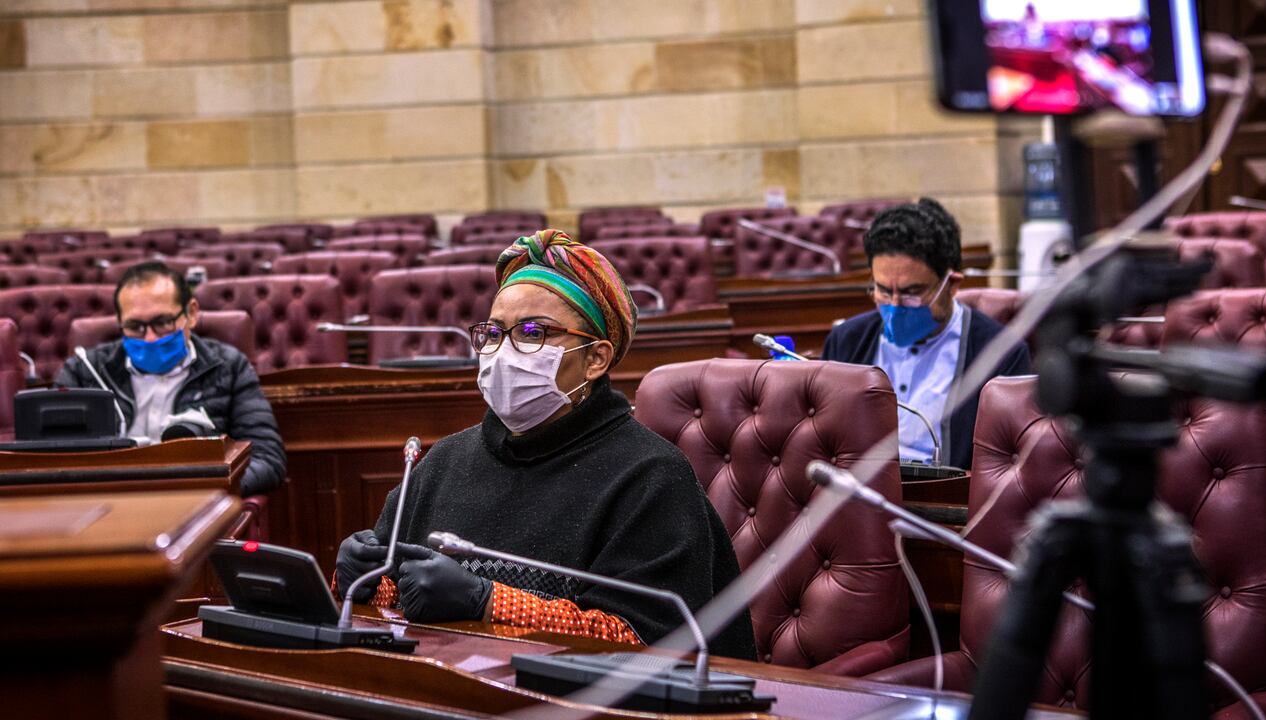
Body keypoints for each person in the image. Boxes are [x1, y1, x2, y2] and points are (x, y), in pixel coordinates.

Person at [335, 229, 756, 659]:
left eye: (534, 332)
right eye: (494, 332)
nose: (504, 352)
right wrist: (368, 584)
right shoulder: (443, 461)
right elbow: (396, 598)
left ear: (596, 358)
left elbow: (647, 642)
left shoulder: (650, 475)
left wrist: (490, 603)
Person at [822, 198, 1031, 469]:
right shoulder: (846, 341)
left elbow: (1009, 466)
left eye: (911, 293)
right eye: (883, 290)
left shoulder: (1001, 353)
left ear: (951, 284)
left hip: (952, 503)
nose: (894, 306)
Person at [55, 261, 286, 497]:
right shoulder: (84, 372)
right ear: (120, 323)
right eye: (135, 326)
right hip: (107, 506)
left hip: (197, 507)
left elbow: (267, 459)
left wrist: (207, 491)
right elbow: (49, 462)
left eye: (163, 323)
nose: (151, 338)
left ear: (191, 314)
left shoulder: (229, 367)